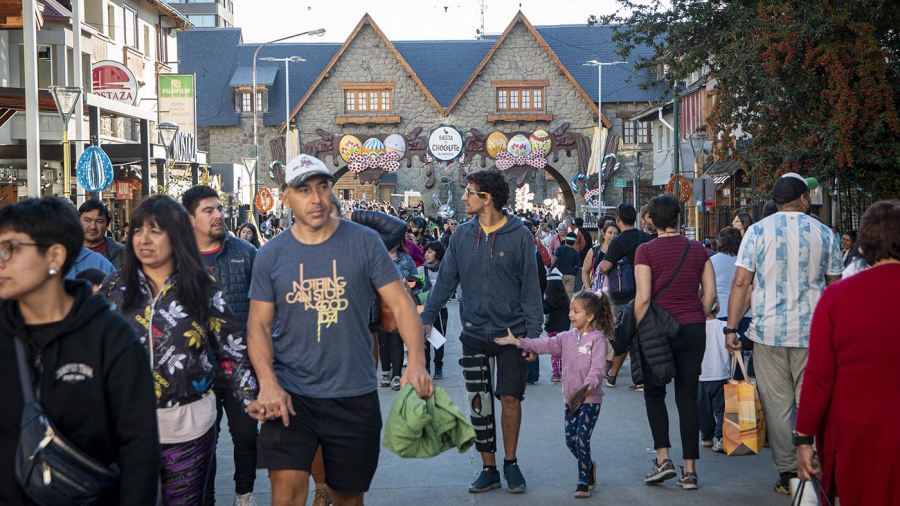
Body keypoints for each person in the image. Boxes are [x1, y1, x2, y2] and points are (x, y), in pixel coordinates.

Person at [246, 154, 432, 506]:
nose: (315, 198)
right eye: (303, 190)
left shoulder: (364, 242)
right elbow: (257, 325)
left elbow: (401, 302)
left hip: (352, 392)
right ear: (286, 198)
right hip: (291, 391)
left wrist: (416, 362)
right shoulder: (271, 254)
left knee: (348, 495)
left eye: (322, 187)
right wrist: (268, 383)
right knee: (285, 492)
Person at [102, 195, 261, 505]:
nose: (144, 239)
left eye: (156, 231)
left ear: (176, 237)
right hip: (124, 427)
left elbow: (231, 349)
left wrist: (251, 398)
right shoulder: (115, 286)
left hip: (186, 424)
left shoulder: (201, 285)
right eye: (138, 230)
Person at [0, 197, 160, 506]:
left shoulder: (111, 338)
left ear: (55, 256)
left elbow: (139, 451)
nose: (1, 260)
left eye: (11, 249)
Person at [419, 169, 543, 494]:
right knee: (479, 402)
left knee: (510, 399)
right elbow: (445, 281)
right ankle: (489, 467)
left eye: (469, 192)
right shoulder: (461, 235)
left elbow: (531, 290)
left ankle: (511, 463)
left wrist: (533, 335)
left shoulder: (519, 235)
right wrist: (427, 317)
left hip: (512, 334)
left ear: (486, 198)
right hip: (474, 331)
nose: (463, 197)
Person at [724, 173, 843, 495]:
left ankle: (787, 470)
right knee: (813, 401)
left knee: (777, 406)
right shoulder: (825, 234)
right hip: (814, 335)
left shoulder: (757, 233)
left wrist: (732, 327)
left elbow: (740, 283)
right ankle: (813, 462)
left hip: (768, 333)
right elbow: (836, 287)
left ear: (776, 201)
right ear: (803, 198)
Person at [794, 200, 900, 505]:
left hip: (856, 433)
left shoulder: (837, 298)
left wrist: (804, 437)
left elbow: (819, 376)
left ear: (863, 247)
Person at [181, 185, 261, 506]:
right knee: (204, 441)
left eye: (218, 209)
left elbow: (266, 306)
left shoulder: (245, 252)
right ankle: (207, 498)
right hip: (196, 369)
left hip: (241, 366)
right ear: (190, 220)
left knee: (245, 436)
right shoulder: (178, 259)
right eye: (208, 211)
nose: (218, 215)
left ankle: (244, 492)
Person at [494, 290, 612, 498]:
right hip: (571, 401)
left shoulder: (597, 340)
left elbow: (598, 368)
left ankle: (583, 481)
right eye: (570, 310)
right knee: (571, 441)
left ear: (590, 316)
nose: (570, 315)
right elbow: (545, 344)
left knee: (582, 439)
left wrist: (589, 385)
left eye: (576, 311)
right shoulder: (566, 337)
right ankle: (589, 465)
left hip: (589, 399)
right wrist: (520, 342)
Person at [635, 194, 716, 490]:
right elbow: (710, 295)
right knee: (687, 396)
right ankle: (690, 470)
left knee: (655, 393)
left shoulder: (645, 251)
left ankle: (663, 459)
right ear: (679, 219)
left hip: (658, 329)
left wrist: (633, 329)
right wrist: (697, 314)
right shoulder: (698, 250)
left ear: (651, 221)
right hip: (693, 328)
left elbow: (643, 297)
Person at [595, 204, 653, 390]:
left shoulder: (618, 242)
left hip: (623, 294)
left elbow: (604, 267)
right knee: (639, 334)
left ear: (619, 220)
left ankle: (617, 375)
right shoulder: (645, 237)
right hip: (645, 291)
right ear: (636, 219)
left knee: (623, 334)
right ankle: (628, 376)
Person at [709, 227, 752, 378]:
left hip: (722, 313)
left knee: (723, 353)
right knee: (738, 352)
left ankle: (724, 382)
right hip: (745, 312)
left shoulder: (712, 261)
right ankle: (739, 380)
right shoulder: (744, 262)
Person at [379, 241, 418, 391]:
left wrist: (408, 283)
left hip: (401, 305)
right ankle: (385, 372)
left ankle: (396, 374)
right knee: (383, 341)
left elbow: (418, 279)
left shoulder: (406, 259)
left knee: (397, 340)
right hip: (382, 304)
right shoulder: (378, 258)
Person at [697, 309, 730, 453]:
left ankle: (707, 437)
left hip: (700, 375)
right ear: (717, 307)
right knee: (721, 408)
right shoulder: (724, 325)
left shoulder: (695, 327)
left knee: (703, 409)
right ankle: (722, 436)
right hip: (721, 373)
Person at [419, 241, 447, 379]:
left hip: (441, 309)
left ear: (438, 253)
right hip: (423, 308)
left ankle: (438, 366)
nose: (426, 254)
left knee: (438, 339)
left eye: (430, 252)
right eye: (425, 251)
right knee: (424, 337)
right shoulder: (420, 270)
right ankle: (426, 367)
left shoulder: (445, 269)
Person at [79, 199, 125, 269]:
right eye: (87, 220)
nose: (92, 227)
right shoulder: (66, 252)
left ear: (107, 225)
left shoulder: (122, 253)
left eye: (99, 221)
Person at [543, 268, 571, 383]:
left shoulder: (548, 300)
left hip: (552, 328)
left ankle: (556, 374)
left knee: (554, 352)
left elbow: (545, 311)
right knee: (564, 350)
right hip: (564, 328)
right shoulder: (565, 299)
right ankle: (564, 371)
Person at [582, 221, 620, 290]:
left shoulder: (620, 252)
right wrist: (588, 289)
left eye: (616, 234)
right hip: (596, 292)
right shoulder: (594, 251)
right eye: (610, 233)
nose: (613, 236)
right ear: (603, 234)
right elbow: (585, 271)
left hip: (614, 291)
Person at [552, 233, 581, 298]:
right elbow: (577, 266)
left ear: (565, 240)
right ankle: (567, 307)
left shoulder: (560, 249)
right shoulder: (576, 252)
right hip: (571, 275)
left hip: (560, 275)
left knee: (559, 294)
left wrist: (550, 267)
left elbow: (554, 258)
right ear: (574, 242)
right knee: (569, 295)